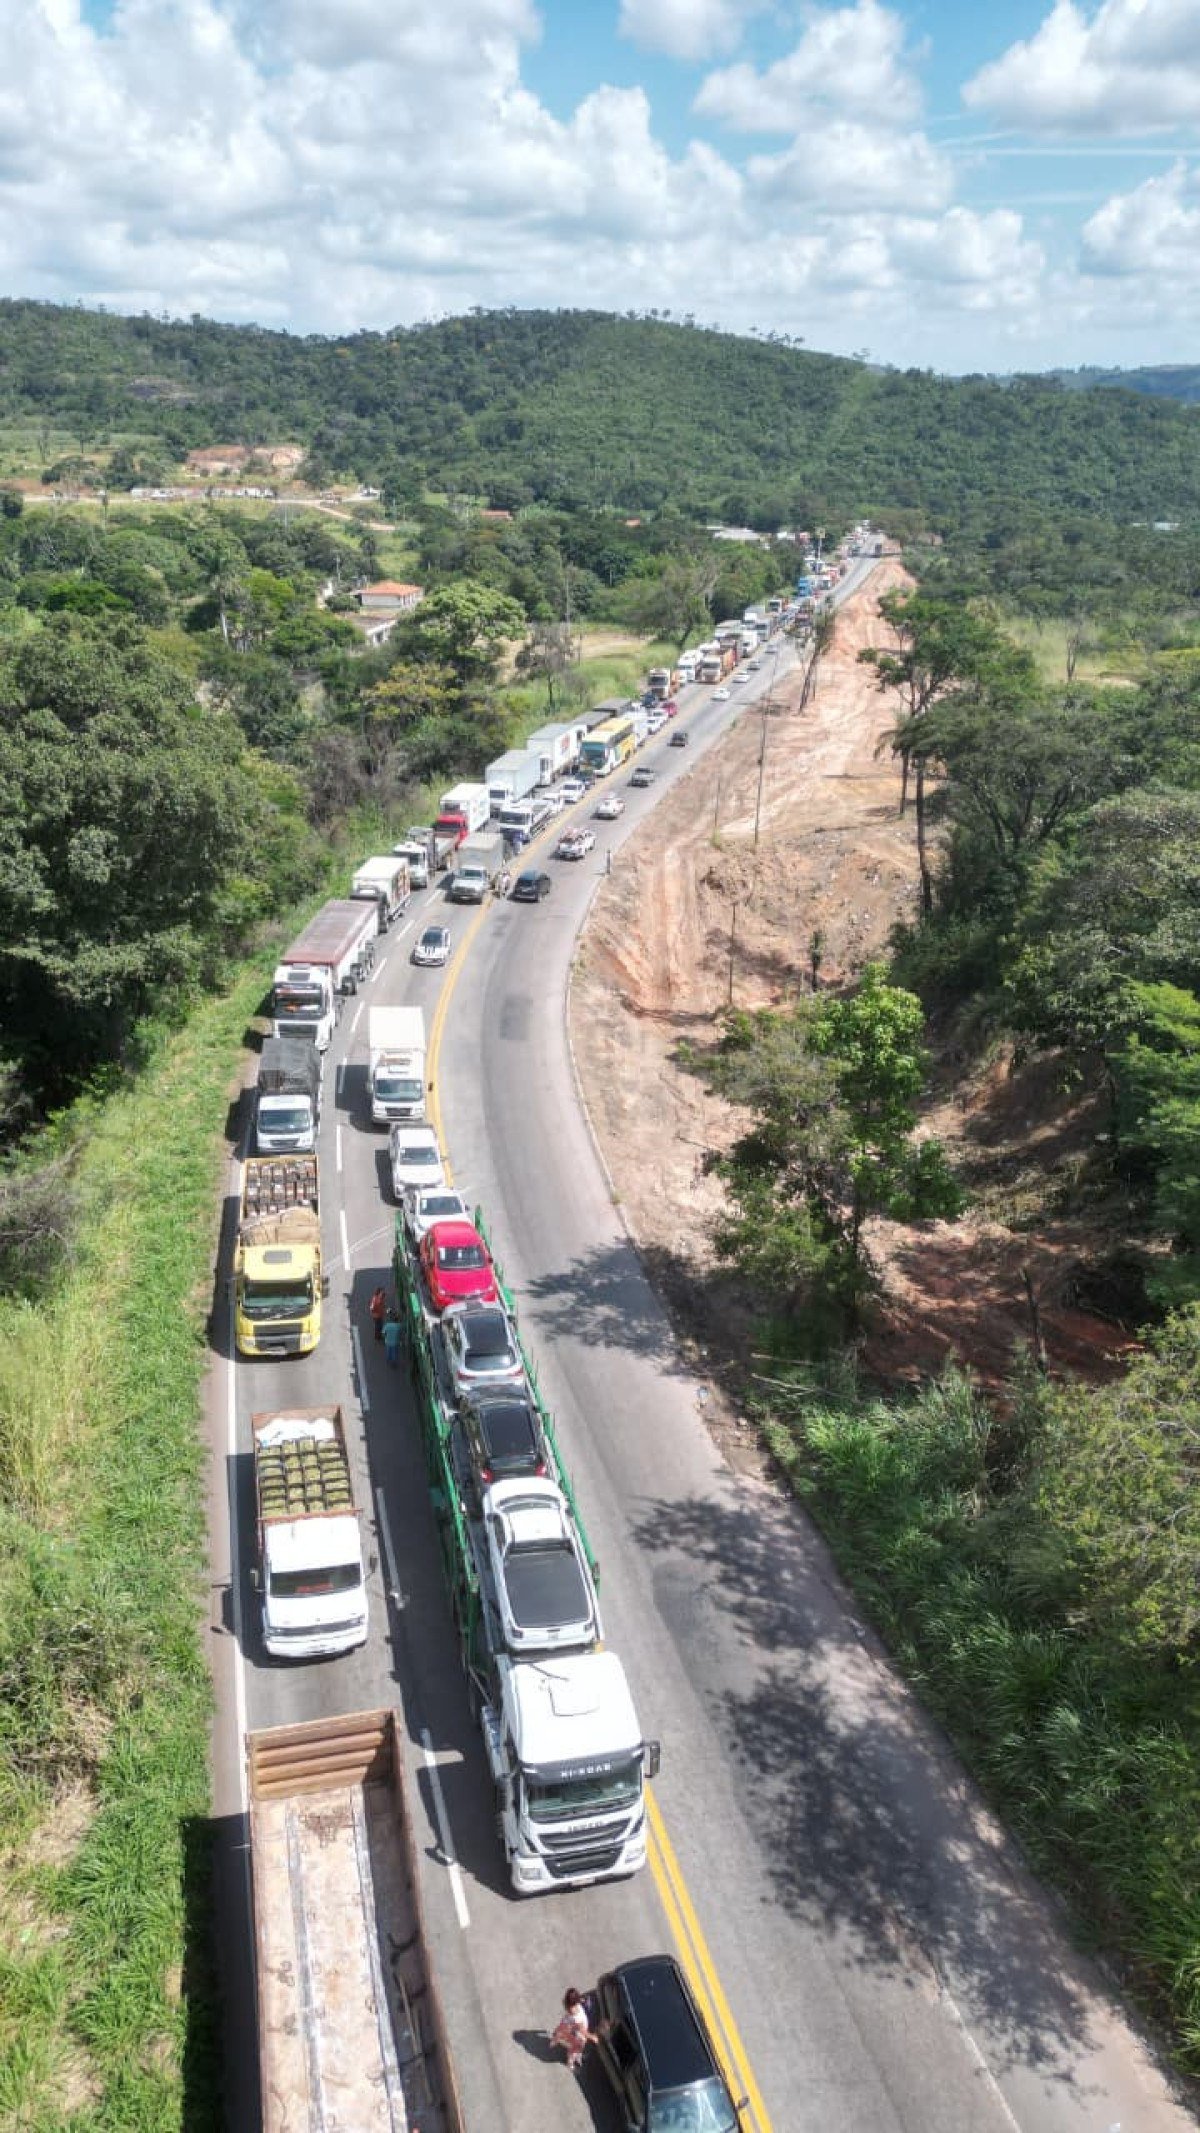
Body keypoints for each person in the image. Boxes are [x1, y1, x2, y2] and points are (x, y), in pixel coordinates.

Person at [551, 1987, 594, 2073]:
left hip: (577, 2032)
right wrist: (592, 2037)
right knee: (574, 2050)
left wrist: (582, 2001)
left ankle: (578, 2056)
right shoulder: (574, 2016)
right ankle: (570, 2063)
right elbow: (581, 2030)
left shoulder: (573, 2005)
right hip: (577, 2034)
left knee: (580, 2047)